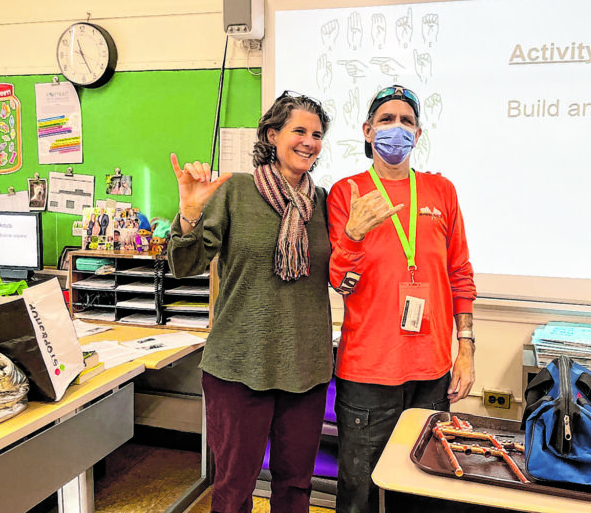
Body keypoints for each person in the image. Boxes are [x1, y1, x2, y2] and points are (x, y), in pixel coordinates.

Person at [167, 91, 333, 513]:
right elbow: (183, 265)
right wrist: (188, 213)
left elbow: (343, 269)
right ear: (273, 135)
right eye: (299, 130)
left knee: (296, 487)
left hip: (305, 367)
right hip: (239, 366)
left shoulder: (324, 203)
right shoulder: (236, 191)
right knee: (234, 488)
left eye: (317, 134)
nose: (309, 141)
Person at [327, 84, 477, 513]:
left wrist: (464, 349)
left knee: (423, 487)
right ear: (368, 130)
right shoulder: (346, 193)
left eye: (406, 121)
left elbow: (460, 275)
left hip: (430, 369)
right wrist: (354, 234)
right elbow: (340, 281)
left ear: (419, 132)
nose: (397, 129)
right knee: (360, 491)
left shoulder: (440, 191)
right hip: (367, 370)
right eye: (387, 120)